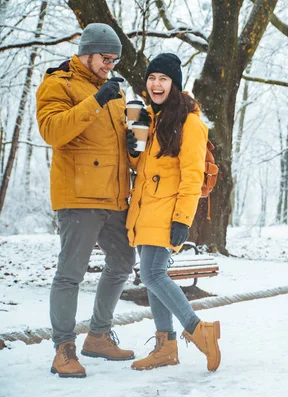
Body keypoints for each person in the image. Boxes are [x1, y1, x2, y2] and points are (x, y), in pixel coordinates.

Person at [36, 23, 136, 378]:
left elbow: (115, 141)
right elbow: (54, 132)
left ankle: (98, 335)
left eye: (114, 60)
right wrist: (96, 101)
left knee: (124, 262)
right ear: (87, 53)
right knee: (70, 274)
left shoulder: (114, 90)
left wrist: (133, 145)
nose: (110, 65)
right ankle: (63, 349)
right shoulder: (58, 84)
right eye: (105, 58)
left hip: (114, 195)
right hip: (78, 196)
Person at [126, 53, 221, 372]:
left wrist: (182, 219)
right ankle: (166, 345)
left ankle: (198, 330)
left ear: (174, 84)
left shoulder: (189, 122)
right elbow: (141, 166)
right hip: (145, 210)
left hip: (167, 212)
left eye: (163, 79)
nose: (156, 84)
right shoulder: (152, 118)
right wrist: (135, 140)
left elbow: (192, 174)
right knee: (153, 277)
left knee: (152, 274)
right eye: (152, 78)